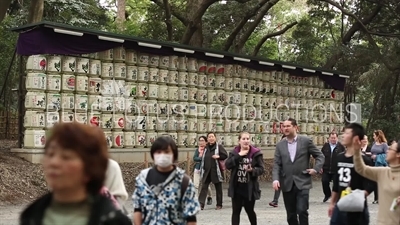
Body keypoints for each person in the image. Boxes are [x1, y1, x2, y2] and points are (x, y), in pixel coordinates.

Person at [20, 122, 132, 225]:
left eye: (66, 157)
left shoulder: (112, 220)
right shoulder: (31, 215)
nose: (53, 163)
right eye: (50, 154)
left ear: (91, 166)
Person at [132, 136, 200, 225]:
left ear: (174, 154)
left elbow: (191, 218)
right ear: (153, 154)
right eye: (158, 152)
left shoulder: (183, 181)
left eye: (167, 152)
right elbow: (138, 209)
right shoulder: (143, 178)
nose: (162, 155)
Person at [272, 118, 325, 225]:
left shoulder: (305, 141)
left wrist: (316, 169)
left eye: (288, 126)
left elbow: (320, 155)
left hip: (303, 182)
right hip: (287, 183)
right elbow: (277, 164)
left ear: (295, 127)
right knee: (291, 214)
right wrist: (275, 179)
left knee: (302, 210)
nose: (285, 128)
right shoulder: (280, 145)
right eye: (284, 126)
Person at [328, 123, 374, 225]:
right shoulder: (339, 157)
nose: (343, 136)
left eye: (347, 133)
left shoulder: (364, 160)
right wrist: (332, 203)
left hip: (357, 208)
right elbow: (336, 183)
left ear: (355, 138)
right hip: (340, 205)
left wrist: (357, 197)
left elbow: (371, 183)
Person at [353, 132, 400, 224]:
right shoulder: (383, 172)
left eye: (390, 149)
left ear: (398, 154)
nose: (387, 151)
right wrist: (356, 150)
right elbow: (361, 169)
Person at [225, 132, 264, 225]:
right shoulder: (234, 152)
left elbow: (261, 169)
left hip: (249, 188)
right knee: (236, 211)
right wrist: (239, 155)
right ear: (239, 141)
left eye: (248, 139)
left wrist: (252, 170)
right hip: (237, 187)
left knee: (250, 211)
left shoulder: (256, 153)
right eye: (243, 139)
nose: (246, 141)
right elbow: (227, 165)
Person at [198, 132, 228, 210]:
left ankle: (219, 204)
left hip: (215, 171)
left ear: (215, 138)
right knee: (204, 187)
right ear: (207, 139)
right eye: (209, 137)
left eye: (212, 136)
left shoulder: (219, 147)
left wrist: (218, 156)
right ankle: (201, 204)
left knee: (218, 188)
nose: (211, 138)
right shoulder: (205, 147)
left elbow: (225, 155)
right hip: (207, 171)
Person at [321, 132, 345, 202]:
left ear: (337, 138)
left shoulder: (341, 146)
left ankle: (336, 197)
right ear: (329, 138)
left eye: (334, 138)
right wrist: (320, 166)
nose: (333, 139)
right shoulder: (325, 146)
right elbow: (321, 157)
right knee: (324, 181)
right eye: (331, 138)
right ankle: (327, 194)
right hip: (326, 168)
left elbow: (344, 156)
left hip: (336, 169)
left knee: (336, 183)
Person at [193, 136, 212, 204]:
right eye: (200, 140)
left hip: (205, 169)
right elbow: (195, 158)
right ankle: (196, 200)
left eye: (202, 140)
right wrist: (201, 158)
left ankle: (209, 197)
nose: (201, 142)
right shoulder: (197, 150)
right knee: (196, 185)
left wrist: (201, 158)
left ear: (206, 142)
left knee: (205, 185)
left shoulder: (208, 150)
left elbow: (208, 158)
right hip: (197, 168)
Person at [370, 130, 389, 204]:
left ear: (378, 136)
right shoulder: (374, 143)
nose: (373, 137)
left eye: (374, 135)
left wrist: (377, 157)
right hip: (373, 164)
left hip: (381, 165)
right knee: (375, 182)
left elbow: (387, 155)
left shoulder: (384, 145)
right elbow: (372, 152)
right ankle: (376, 198)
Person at [269, 135, 286, 207]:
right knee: (278, 186)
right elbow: (276, 162)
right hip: (281, 171)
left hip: (289, 172)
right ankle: (275, 201)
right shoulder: (279, 149)